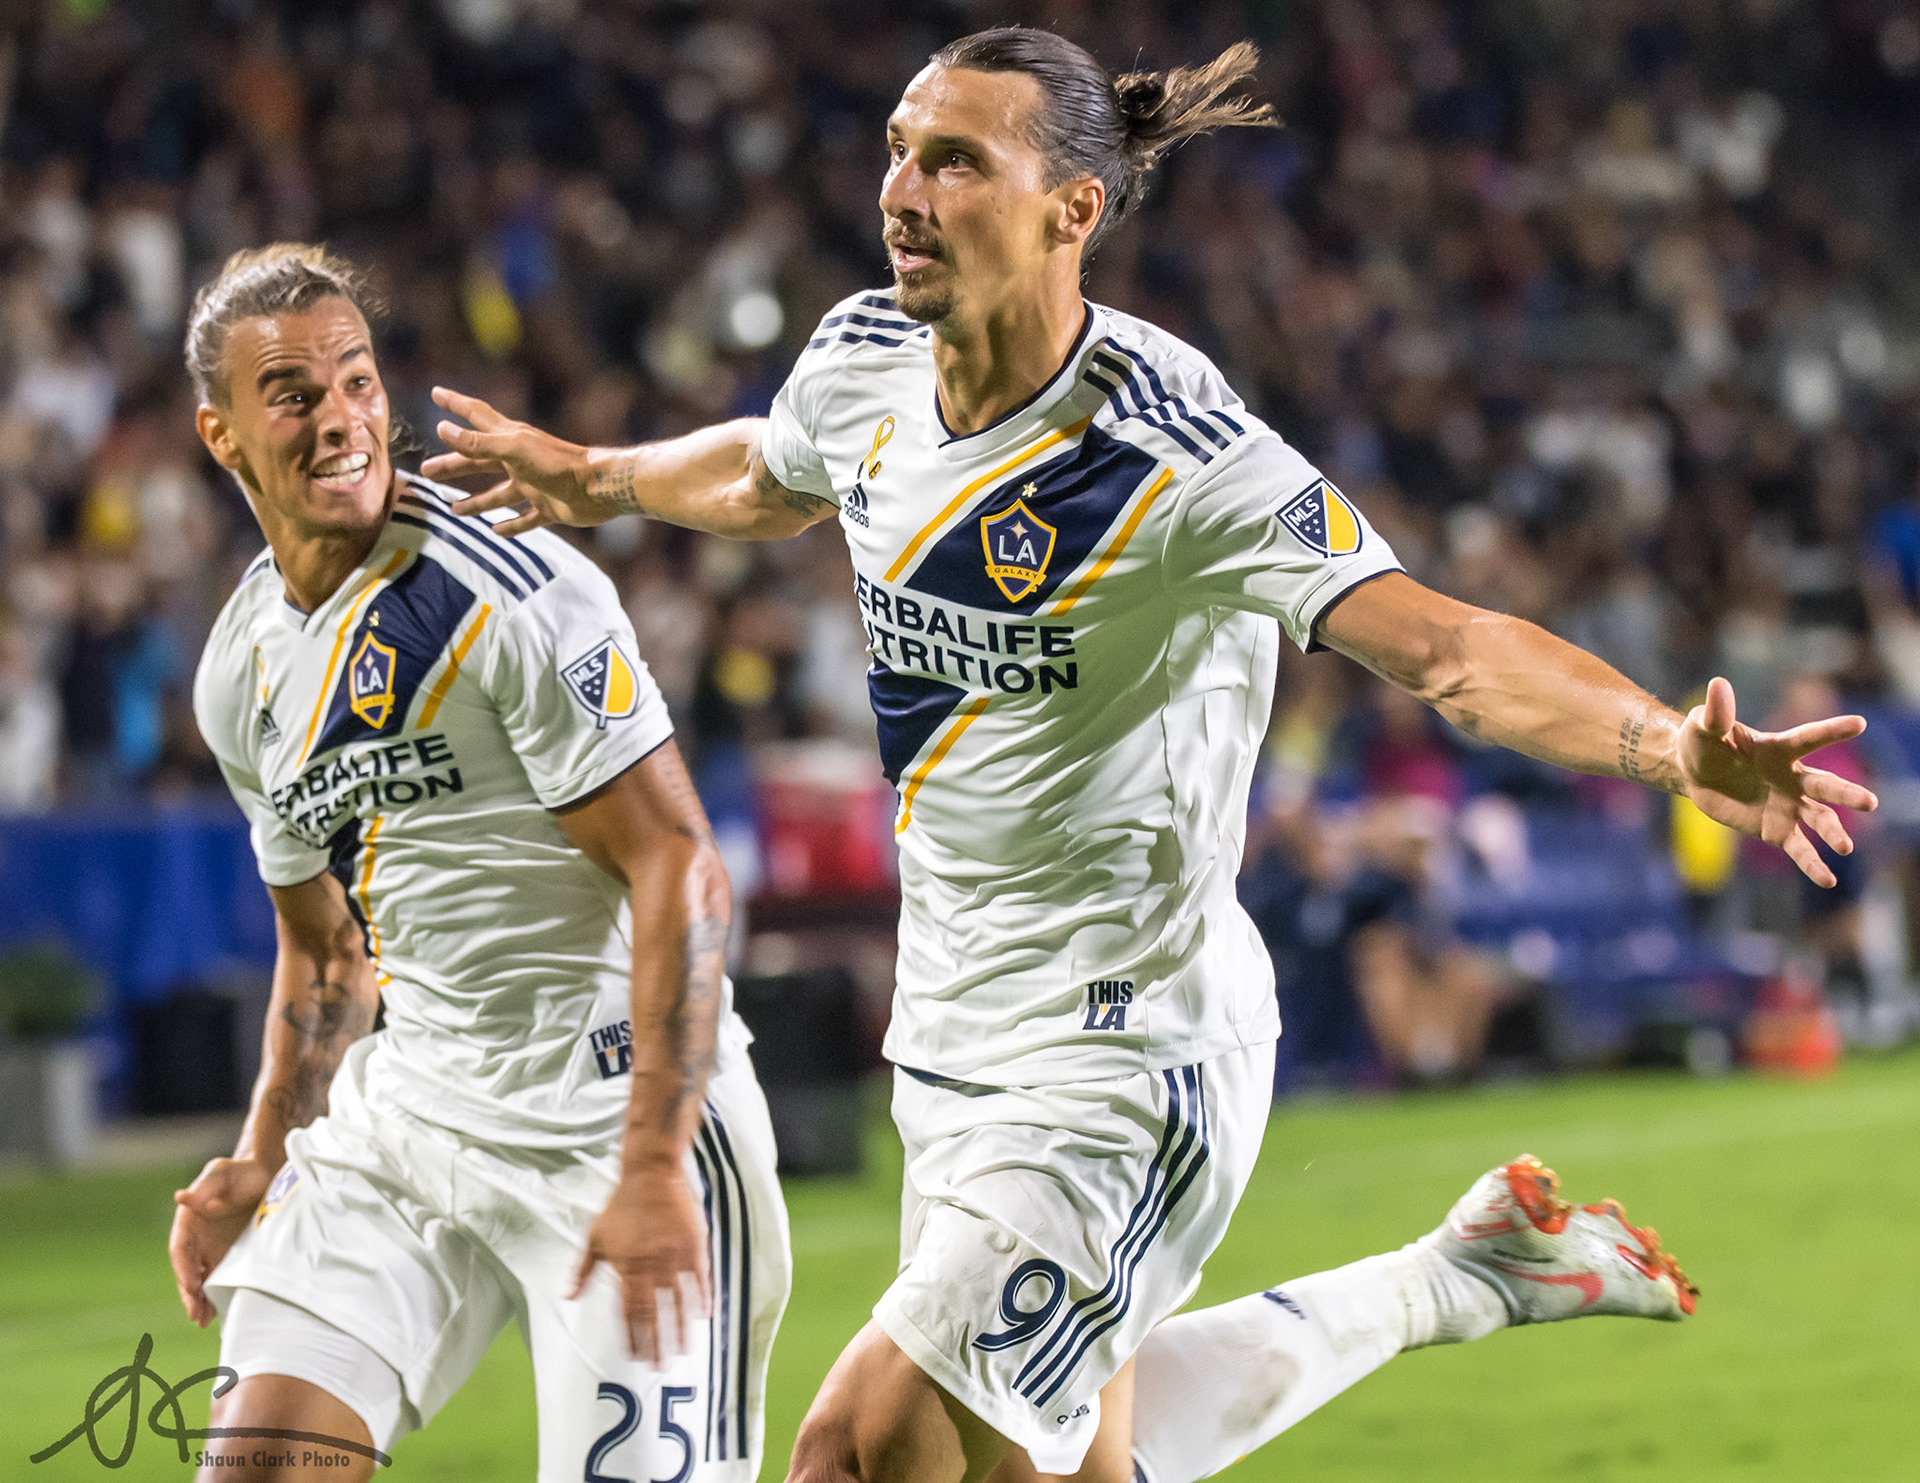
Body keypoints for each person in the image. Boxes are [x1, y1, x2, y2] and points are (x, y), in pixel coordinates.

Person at [422, 29, 1877, 1483]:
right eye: (898, 151)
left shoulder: (1173, 453)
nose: (902, 191)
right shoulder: (864, 356)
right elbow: (766, 473)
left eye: (954, 162)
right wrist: (602, 478)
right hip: (951, 1038)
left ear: (1074, 212)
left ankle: (1451, 1283)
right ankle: (1457, 1276)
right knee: (1059, 1462)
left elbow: (1445, 647)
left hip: (1128, 1048)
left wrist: (1659, 742)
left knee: (860, 1448)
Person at [167, 244, 790, 1483]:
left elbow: (680, 866)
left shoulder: (507, 587)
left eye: (356, 379)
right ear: (223, 434)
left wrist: (659, 1165)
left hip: (611, 1112)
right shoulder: (239, 667)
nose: (342, 417)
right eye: (292, 393)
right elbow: (325, 947)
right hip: (414, 1111)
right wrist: (264, 1152)